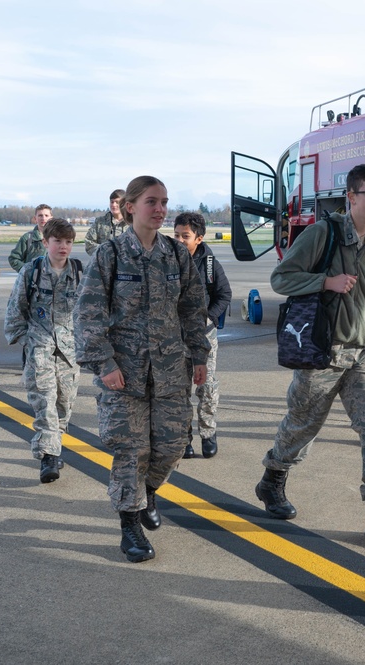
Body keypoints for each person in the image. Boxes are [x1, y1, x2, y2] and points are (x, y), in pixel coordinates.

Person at [255, 163, 365, 551]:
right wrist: (325, 282)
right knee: (302, 425)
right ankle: (273, 479)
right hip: (323, 352)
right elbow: (282, 278)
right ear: (351, 197)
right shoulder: (321, 234)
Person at [74, 176, 210, 564]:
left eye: (165, 202)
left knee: (170, 446)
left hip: (170, 369)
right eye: (152, 201)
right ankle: (130, 525)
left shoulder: (175, 253)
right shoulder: (111, 254)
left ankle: (149, 492)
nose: (161, 209)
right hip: (124, 373)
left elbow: (192, 307)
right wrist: (104, 363)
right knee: (131, 451)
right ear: (130, 206)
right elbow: (89, 314)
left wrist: (198, 355)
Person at [4, 218, 82, 483]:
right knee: (45, 403)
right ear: (46, 242)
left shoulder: (81, 273)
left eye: (68, 242)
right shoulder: (32, 271)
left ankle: (54, 446)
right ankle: (48, 457)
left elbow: (92, 313)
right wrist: (25, 340)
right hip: (40, 348)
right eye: (57, 241)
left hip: (70, 353)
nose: (63, 247)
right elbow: (16, 309)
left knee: (64, 405)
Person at [174, 212, 232, 459]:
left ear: (198, 238)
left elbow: (224, 295)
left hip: (204, 338)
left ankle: (208, 434)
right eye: (175, 234)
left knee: (206, 388)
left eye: (185, 236)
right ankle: (183, 438)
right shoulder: (166, 260)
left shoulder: (210, 264)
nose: (179, 240)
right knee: (179, 390)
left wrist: (208, 318)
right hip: (175, 338)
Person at [8, 204, 53, 271]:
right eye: (40, 215)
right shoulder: (27, 238)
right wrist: (28, 271)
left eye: (46, 215)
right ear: (35, 218)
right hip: (32, 280)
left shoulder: (58, 238)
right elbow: (13, 259)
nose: (43, 218)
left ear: (51, 218)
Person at [85, 188, 126, 256]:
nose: (113, 205)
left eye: (117, 202)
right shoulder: (100, 222)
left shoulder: (133, 223)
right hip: (104, 264)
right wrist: (106, 251)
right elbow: (89, 242)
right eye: (112, 202)